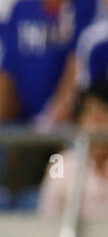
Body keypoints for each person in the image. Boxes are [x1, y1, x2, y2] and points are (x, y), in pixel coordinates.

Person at [39, 80, 108, 219]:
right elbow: (47, 216)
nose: (97, 122)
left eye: (104, 113)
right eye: (90, 113)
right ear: (80, 121)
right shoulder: (59, 162)